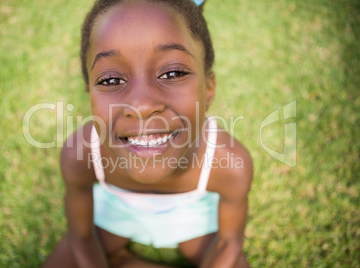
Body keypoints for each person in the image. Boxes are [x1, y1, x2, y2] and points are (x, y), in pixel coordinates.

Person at [43, 0, 253, 267]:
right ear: (90, 94)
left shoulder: (229, 163)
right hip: (116, 215)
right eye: (111, 80)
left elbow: (228, 243)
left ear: (209, 88)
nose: (141, 106)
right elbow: (81, 237)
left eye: (173, 73)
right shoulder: (81, 154)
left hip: (193, 220)